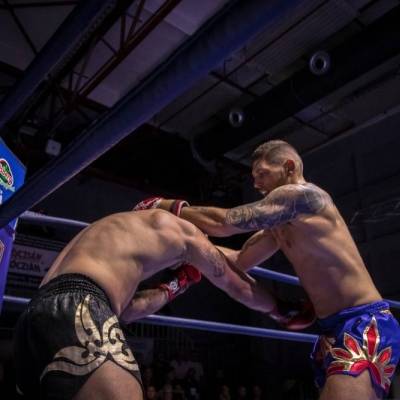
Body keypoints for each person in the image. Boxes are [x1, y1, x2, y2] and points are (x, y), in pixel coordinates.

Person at [141, 140, 400, 399]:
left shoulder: (304, 196)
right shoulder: (279, 226)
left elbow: (223, 223)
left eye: (262, 173)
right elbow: (241, 260)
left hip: (363, 322)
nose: (256, 184)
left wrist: (164, 206)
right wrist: (191, 247)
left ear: (289, 167)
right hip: (330, 330)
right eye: (254, 177)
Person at [13, 208, 285, 400]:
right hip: (81, 306)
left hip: (32, 319)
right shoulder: (183, 231)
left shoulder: (111, 231)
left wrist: (177, 284)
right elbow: (235, 283)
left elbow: (130, 310)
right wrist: (278, 310)